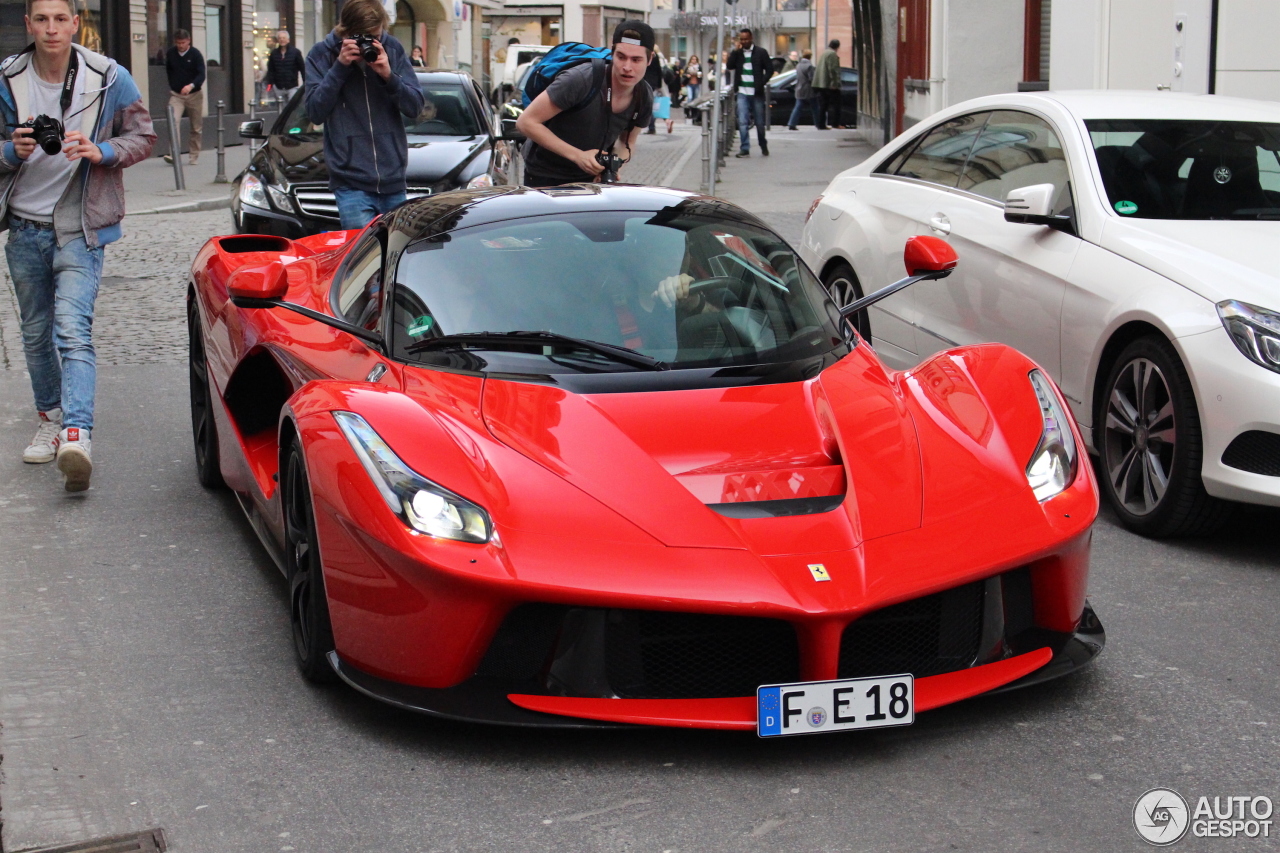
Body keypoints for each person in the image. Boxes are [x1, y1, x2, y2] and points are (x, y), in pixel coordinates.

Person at [0, 0, 156, 491]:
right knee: (35, 332)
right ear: (29, 24)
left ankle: (77, 433)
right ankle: (49, 419)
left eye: (60, 19)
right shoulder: (7, 78)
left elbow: (144, 136)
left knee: (72, 328)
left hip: (80, 226)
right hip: (24, 226)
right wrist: (11, 150)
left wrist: (102, 150)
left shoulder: (109, 76)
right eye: (41, 19)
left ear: (75, 23)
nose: (51, 29)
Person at [305, 0, 424, 230]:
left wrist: (389, 76)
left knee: (395, 259)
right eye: (362, 37)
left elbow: (415, 107)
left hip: (393, 180)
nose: (369, 43)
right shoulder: (322, 55)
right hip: (351, 183)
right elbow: (315, 112)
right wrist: (340, 67)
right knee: (362, 262)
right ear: (346, 32)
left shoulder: (392, 49)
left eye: (376, 36)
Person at [516, 20, 655, 188]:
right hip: (545, 175)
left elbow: (627, 143)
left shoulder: (644, 96)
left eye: (636, 60)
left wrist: (612, 167)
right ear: (612, 53)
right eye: (621, 57)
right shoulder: (581, 79)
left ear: (649, 59)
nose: (627, 67)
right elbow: (526, 122)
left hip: (591, 180)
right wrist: (578, 156)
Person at [725, 28, 772, 157]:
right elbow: (729, 66)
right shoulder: (738, 53)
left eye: (746, 39)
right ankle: (745, 148)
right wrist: (734, 51)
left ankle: (763, 144)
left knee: (759, 122)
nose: (744, 41)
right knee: (742, 121)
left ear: (751, 39)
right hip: (742, 92)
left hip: (756, 93)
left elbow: (770, 69)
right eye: (742, 39)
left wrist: (761, 82)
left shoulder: (761, 52)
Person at [163, 28, 204, 165]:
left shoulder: (195, 54)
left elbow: (201, 74)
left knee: (196, 127)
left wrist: (191, 86)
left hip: (194, 94)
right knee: (173, 121)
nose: (180, 45)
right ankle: (174, 153)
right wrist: (173, 86)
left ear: (189, 41)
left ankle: (194, 156)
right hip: (176, 95)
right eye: (178, 43)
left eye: (183, 42)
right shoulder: (171, 54)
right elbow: (169, 70)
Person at [265, 29, 304, 105]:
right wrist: (271, 83)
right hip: (278, 86)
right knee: (281, 109)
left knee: (292, 107)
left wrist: (306, 82)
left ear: (288, 40)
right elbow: (271, 69)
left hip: (292, 86)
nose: (282, 40)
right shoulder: (274, 53)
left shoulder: (295, 52)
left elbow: (302, 68)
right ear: (278, 40)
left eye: (284, 38)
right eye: (280, 38)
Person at [813, 39, 841, 130]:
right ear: (837, 47)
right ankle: (835, 123)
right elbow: (832, 69)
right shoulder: (832, 54)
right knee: (837, 103)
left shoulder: (825, 53)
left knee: (823, 105)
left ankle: (821, 124)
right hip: (828, 84)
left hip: (821, 83)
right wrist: (834, 83)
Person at [788, 49, 816, 130]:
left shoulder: (798, 65)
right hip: (808, 89)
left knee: (798, 106)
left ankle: (792, 123)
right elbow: (811, 78)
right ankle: (819, 123)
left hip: (799, 88)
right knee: (815, 107)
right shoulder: (809, 66)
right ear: (810, 56)